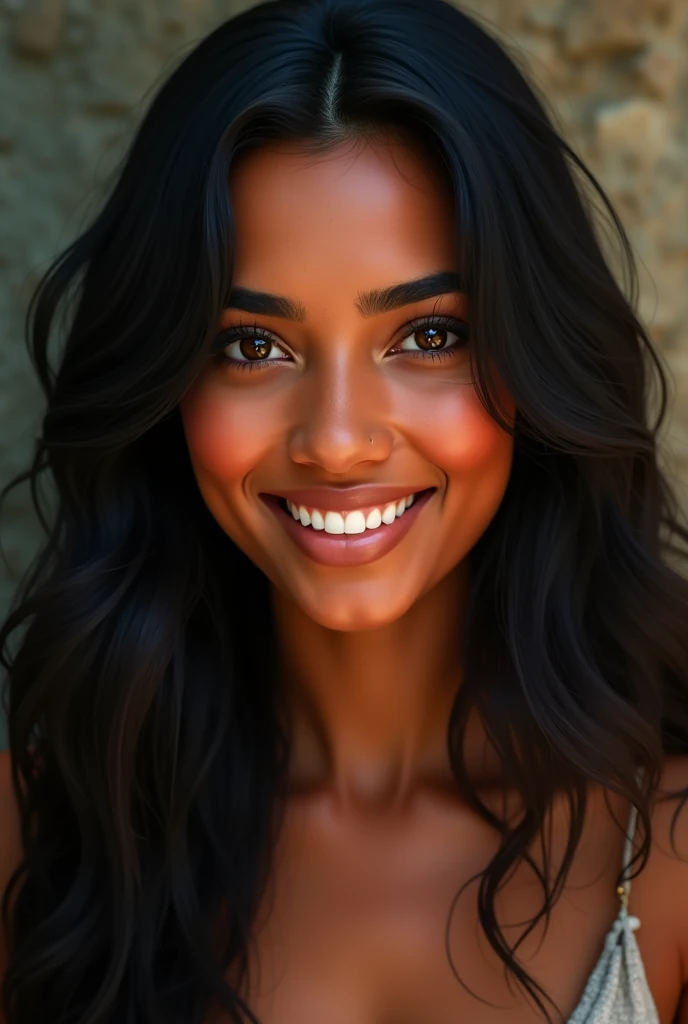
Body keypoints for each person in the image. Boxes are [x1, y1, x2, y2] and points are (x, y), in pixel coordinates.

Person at [1, 0, 687, 1021]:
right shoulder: (40, 836)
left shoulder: (667, 842)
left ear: (533, 354)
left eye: (426, 337)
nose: (335, 437)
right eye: (250, 346)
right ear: (167, 386)